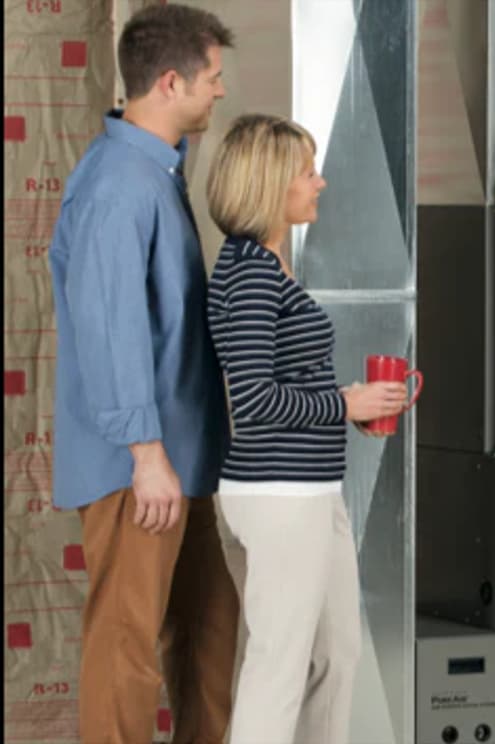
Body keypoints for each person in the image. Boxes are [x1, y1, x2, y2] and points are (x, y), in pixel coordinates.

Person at [48, 5, 239, 742]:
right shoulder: (118, 187)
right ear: (170, 82)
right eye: (212, 79)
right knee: (126, 647)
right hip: (141, 467)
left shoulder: (155, 173)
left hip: (180, 460)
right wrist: (145, 454)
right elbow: (110, 328)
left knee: (209, 629)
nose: (219, 92)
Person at [205, 113, 408, 744]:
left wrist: (348, 397)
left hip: (311, 491)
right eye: (307, 172)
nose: (319, 184)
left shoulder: (267, 267)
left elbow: (283, 385)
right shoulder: (250, 278)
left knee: (335, 656)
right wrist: (344, 407)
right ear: (270, 184)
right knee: (280, 667)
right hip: (278, 497)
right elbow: (256, 401)